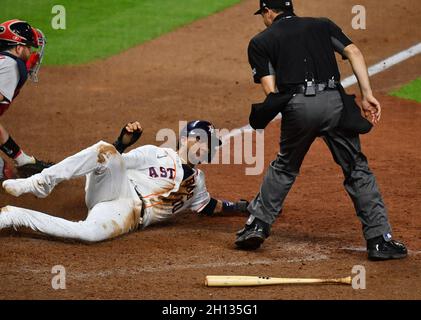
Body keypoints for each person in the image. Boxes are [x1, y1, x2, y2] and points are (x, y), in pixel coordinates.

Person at [235, 0, 407, 261]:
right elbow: (355, 53)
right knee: (356, 167)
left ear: (269, 12)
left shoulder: (260, 42)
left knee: (285, 166)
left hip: (299, 107)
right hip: (336, 104)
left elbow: (272, 92)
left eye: (263, 14)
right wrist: (366, 95)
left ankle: (257, 225)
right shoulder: (322, 24)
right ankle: (379, 240)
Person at [0, 121, 248, 242]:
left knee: (88, 235)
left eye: (211, 146)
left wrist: (243, 207)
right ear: (189, 139)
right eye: (206, 142)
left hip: (125, 215)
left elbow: (210, 206)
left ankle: (13, 216)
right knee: (104, 150)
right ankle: (40, 183)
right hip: (115, 188)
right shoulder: (155, 153)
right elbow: (110, 162)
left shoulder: (198, 183)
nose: (208, 149)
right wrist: (121, 143)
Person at [0, 19, 51, 181]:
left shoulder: (6, 62)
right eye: (28, 47)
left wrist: (21, 158)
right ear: (19, 48)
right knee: (3, 173)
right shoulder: (9, 66)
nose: (31, 51)